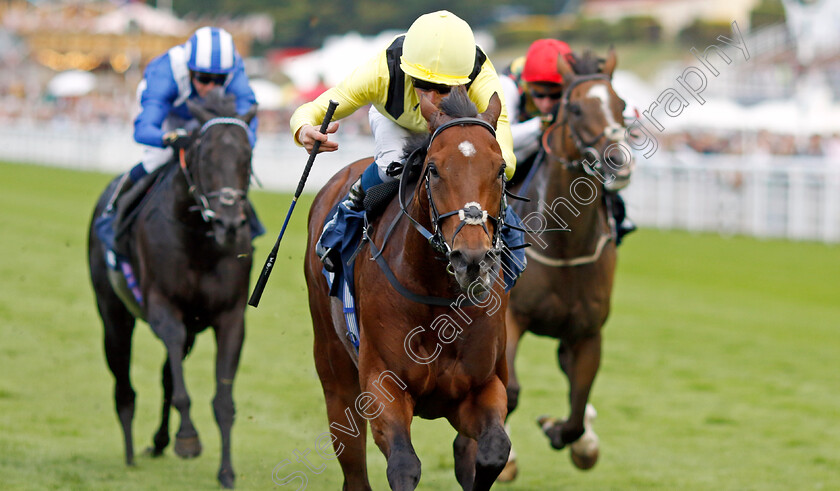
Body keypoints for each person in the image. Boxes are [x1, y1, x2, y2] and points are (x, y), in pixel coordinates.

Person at [291, 10, 523, 272]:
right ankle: (348, 211)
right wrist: (303, 130)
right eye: (422, 84)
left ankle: (507, 234)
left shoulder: (482, 77)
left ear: (464, 80)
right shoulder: (380, 72)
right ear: (406, 71)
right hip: (395, 122)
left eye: (444, 89)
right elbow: (314, 109)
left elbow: (505, 154)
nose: (432, 99)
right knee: (393, 166)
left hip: (454, 130)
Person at [95, 26, 260, 252]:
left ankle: (249, 224)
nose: (211, 86)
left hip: (204, 116)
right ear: (190, 71)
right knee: (158, 159)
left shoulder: (235, 69)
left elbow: (248, 117)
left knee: (225, 166)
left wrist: (238, 147)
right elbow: (143, 130)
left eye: (219, 80)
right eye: (203, 78)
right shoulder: (166, 73)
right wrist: (170, 138)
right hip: (167, 114)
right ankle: (113, 215)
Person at [500, 39, 635, 244]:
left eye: (554, 95)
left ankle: (617, 215)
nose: (545, 103)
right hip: (517, 151)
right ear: (528, 85)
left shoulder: (577, 84)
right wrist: (539, 125)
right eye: (538, 94)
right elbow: (501, 138)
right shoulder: (507, 84)